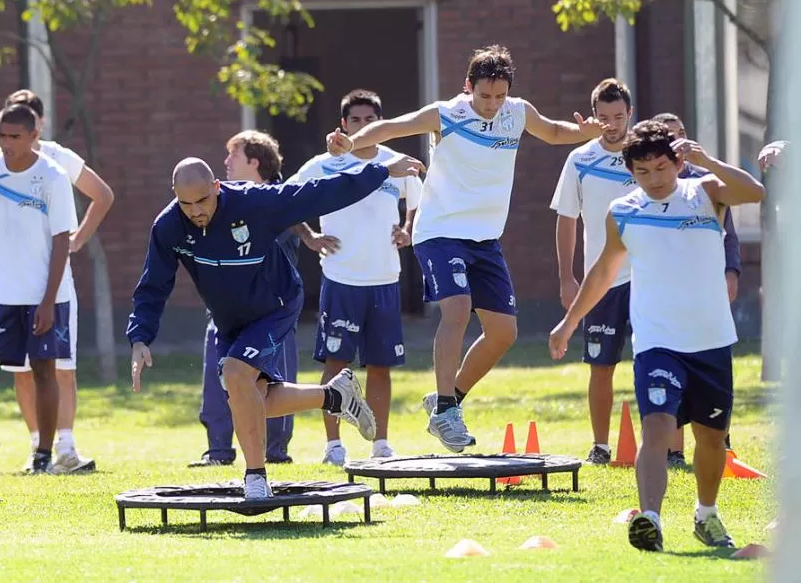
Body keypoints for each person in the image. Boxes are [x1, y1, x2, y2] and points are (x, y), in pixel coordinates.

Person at [326, 45, 607, 451]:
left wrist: (586, 132)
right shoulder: (448, 114)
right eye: (484, 96)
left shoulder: (518, 112)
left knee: (503, 332)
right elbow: (388, 128)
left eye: (499, 96)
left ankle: (448, 399)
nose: (492, 105)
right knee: (457, 309)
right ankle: (444, 411)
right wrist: (350, 144)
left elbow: (554, 131)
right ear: (468, 87)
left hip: (485, 238)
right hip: (439, 231)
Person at [128, 154, 425, 499]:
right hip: (230, 319)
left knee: (237, 376)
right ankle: (334, 395)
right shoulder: (168, 226)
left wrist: (382, 170)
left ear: (217, 187)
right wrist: (140, 336)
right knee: (250, 399)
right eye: (186, 203)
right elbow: (154, 284)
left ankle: (255, 478)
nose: (195, 211)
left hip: (277, 305)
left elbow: (318, 192)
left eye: (202, 200)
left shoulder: (254, 203)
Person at [549, 120, 765, 552]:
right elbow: (603, 273)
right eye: (643, 172)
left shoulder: (707, 192)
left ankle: (706, 514)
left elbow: (754, 192)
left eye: (662, 169)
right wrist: (569, 322)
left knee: (710, 437)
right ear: (631, 172)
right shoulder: (624, 212)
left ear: (678, 162)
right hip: (656, 340)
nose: (654, 180)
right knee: (657, 427)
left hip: (710, 339)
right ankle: (650, 519)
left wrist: (707, 161)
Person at [0, 89, 114, 474]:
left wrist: (49, 299)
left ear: (35, 133)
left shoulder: (53, 174)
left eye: (14, 136)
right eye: (1, 135)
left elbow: (61, 240)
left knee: (46, 371)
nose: (6, 143)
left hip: (44, 295)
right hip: (0, 295)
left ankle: (46, 455)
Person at [291, 89, 422, 465]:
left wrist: (408, 228)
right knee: (336, 365)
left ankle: (381, 444)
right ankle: (333, 446)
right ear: (343, 125)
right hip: (340, 279)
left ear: (381, 124)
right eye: (356, 120)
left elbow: (417, 203)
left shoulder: (396, 163)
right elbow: (287, 198)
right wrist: (310, 237)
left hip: (384, 279)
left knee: (380, 365)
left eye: (371, 120)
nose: (364, 126)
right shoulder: (324, 164)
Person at [189, 130, 299, 467]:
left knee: (275, 380)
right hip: (226, 311)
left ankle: (275, 450)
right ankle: (219, 450)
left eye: (233, 156)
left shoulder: (277, 202)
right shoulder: (221, 202)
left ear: (254, 161)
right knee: (217, 378)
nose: (225, 163)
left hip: (271, 313)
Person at [650, 112, 742, 466]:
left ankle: (722, 440)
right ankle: (673, 451)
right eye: (669, 137)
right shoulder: (648, 186)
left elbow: (729, 234)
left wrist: (731, 271)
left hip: (707, 292)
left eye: (682, 135)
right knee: (672, 367)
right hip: (668, 295)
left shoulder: (708, 182)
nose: (678, 143)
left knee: (713, 362)